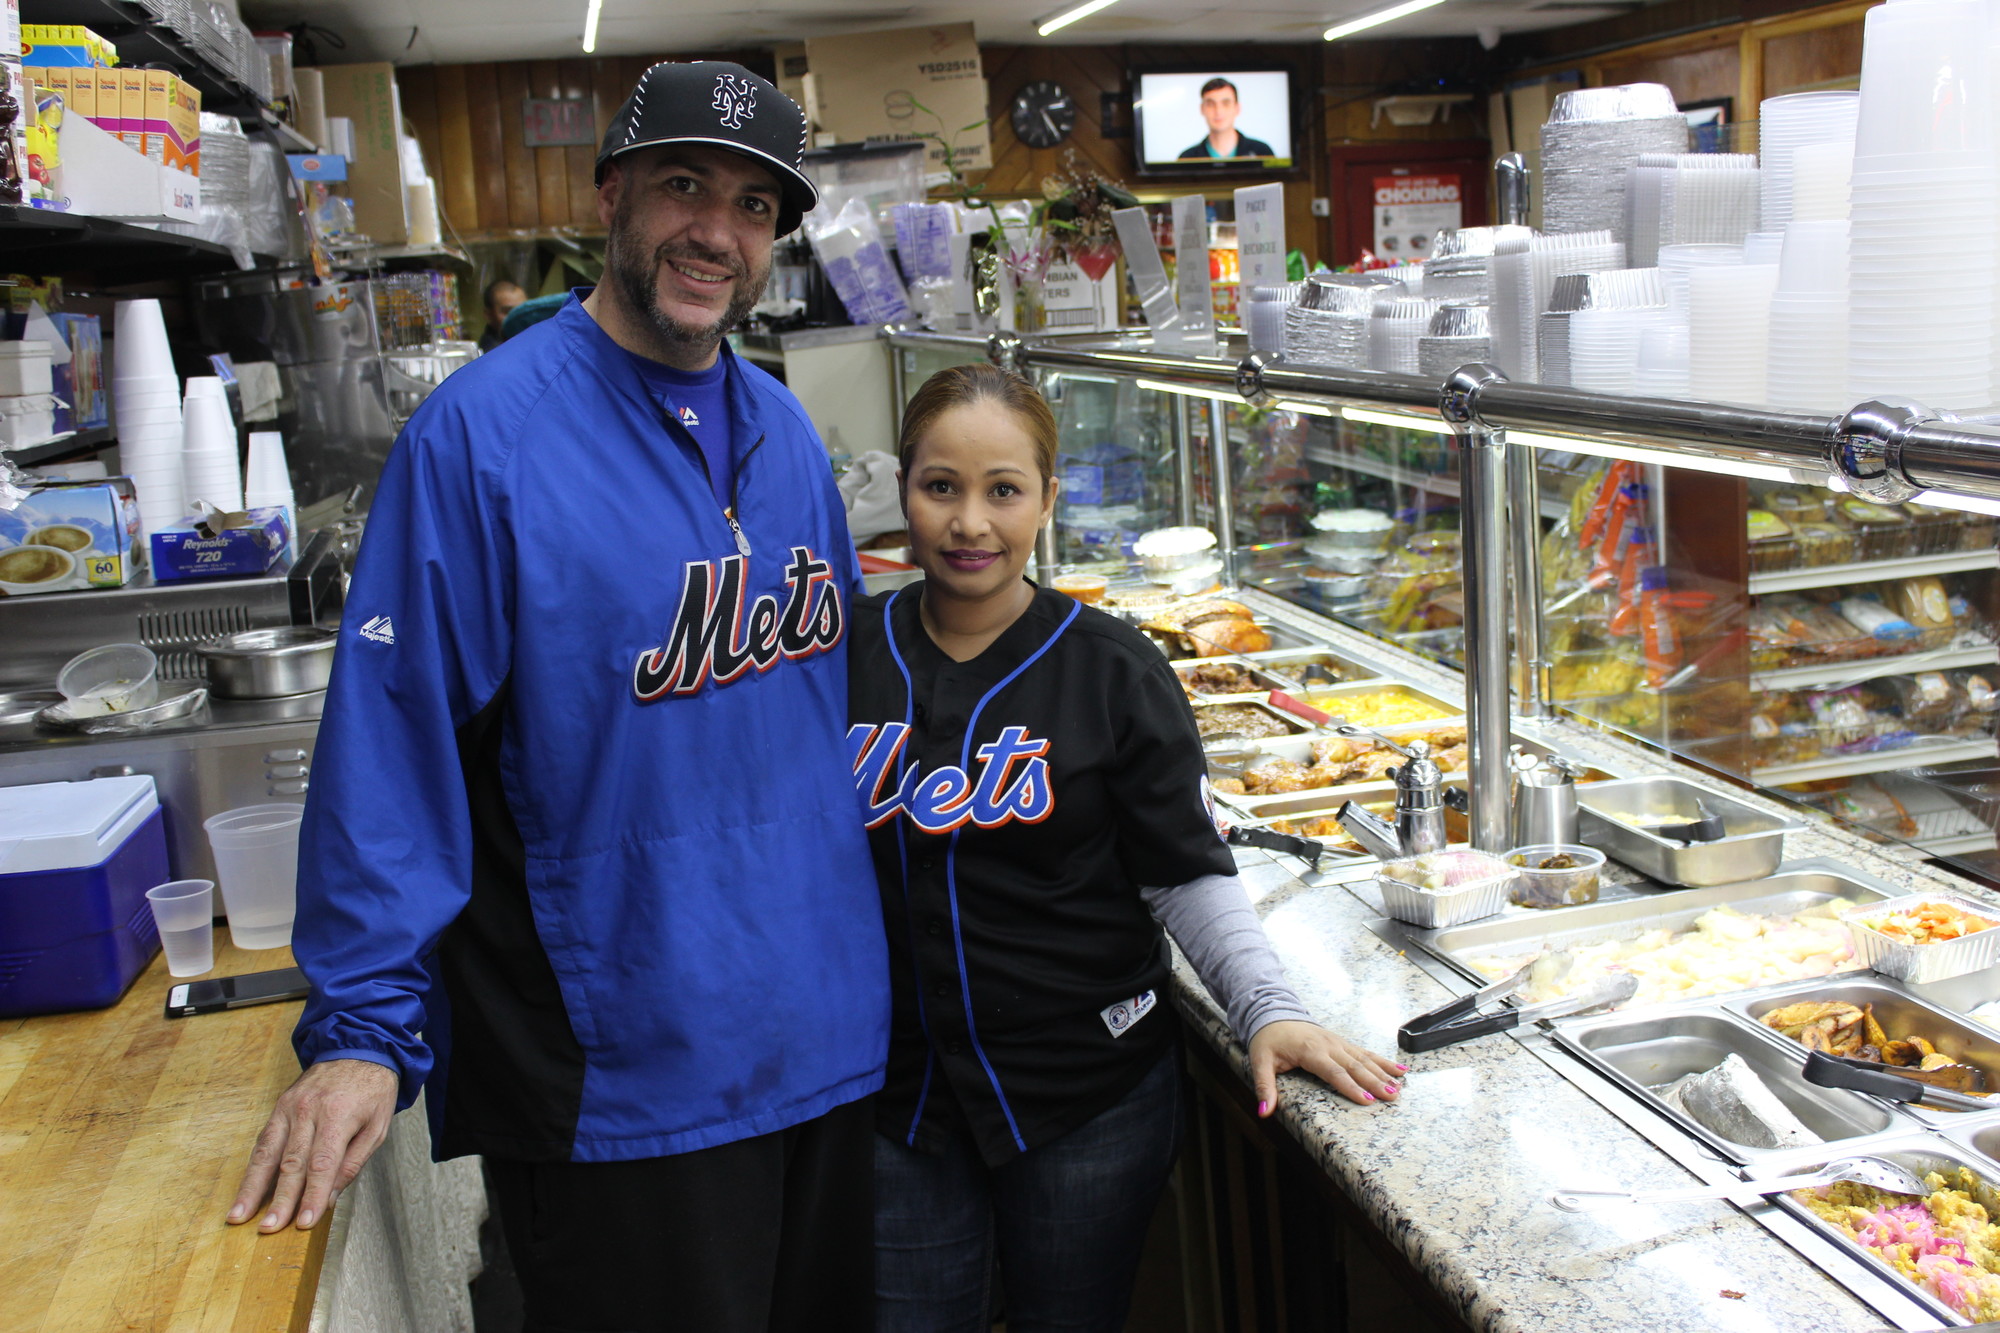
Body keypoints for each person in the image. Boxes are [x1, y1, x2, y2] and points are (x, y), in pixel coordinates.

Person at [227, 61, 889, 1333]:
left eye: (755, 206)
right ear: (613, 196)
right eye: (684, 186)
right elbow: (393, 742)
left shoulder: (787, 433)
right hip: (625, 1070)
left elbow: (814, 720)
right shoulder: (482, 439)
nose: (716, 230)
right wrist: (365, 1027)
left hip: (820, 1034)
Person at [849, 364, 1407, 1332]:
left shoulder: (1111, 668)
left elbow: (1182, 870)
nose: (970, 521)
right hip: (900, 1101)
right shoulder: (849, 657)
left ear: (1047, 500)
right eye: (940, 486)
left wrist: (1265, 1010)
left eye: (1002, 489)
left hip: (1086, 1098)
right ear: (903, 489)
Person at [1178, 77, 1276, 160]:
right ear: (1202, 109)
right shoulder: (1187, 158)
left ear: (1237, 108)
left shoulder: (1262, 152)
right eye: (1211, 104)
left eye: (1226, 103)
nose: (1218, 111)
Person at [476, 277, 526, 350]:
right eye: (508, 312)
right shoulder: (493, 352)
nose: (518, 317)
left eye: (523, 310)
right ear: (488, 315)